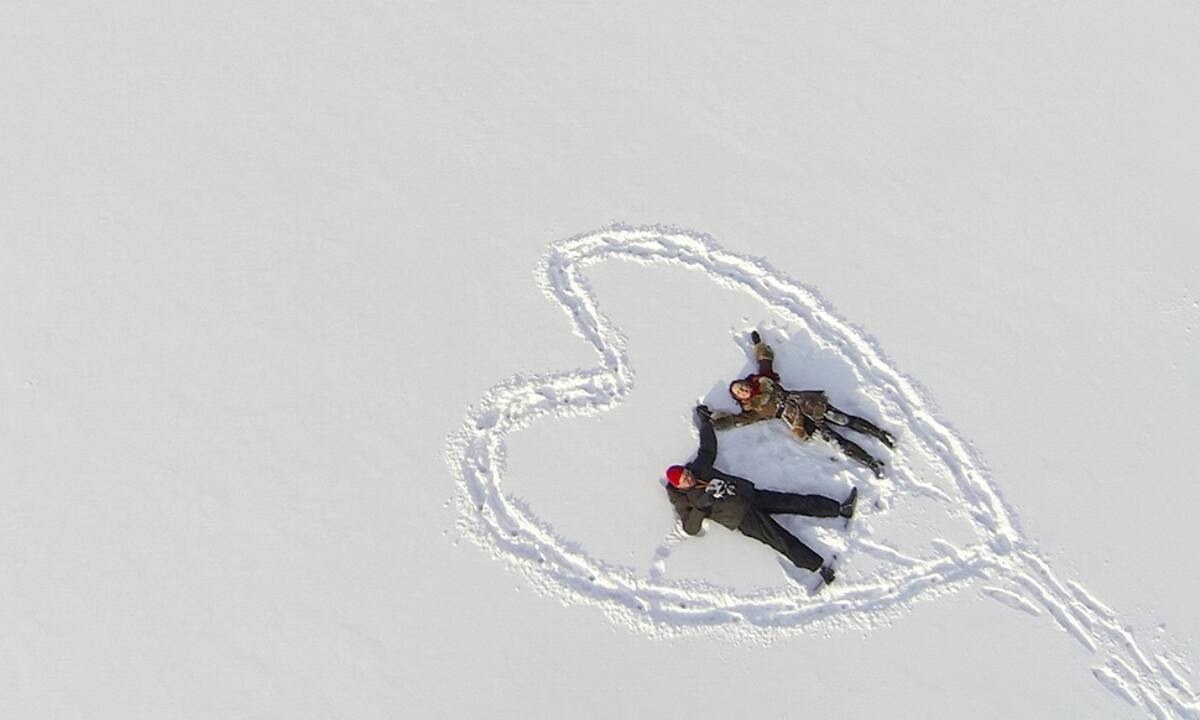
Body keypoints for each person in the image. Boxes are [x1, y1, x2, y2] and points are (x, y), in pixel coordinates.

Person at [665, 405, 857, 585]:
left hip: (748, 495)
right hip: (742, 518)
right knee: (780, 539)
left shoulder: (698, 469)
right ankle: (819, 568)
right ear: (678, 485)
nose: (689, 478)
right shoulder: (682, 499)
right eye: (684, 479)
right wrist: (703, 504)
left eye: (687, 474)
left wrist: (705, 422)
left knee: (795, 501)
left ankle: (840, 509)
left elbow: (707, 449)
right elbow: (690, 528)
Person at [710, 330, 896, 478]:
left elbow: (765, 360)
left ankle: (880, 435)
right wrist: (716, 421)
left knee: (843, 419)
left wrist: (758, 344)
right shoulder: (753, 410)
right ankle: (872, 463)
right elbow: (737, 420)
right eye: (739, 392)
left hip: (806, 403)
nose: (743, 390)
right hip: (798, 421)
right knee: (837, 441)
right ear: (740, 398)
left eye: (742, 386)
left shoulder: (762, 380)